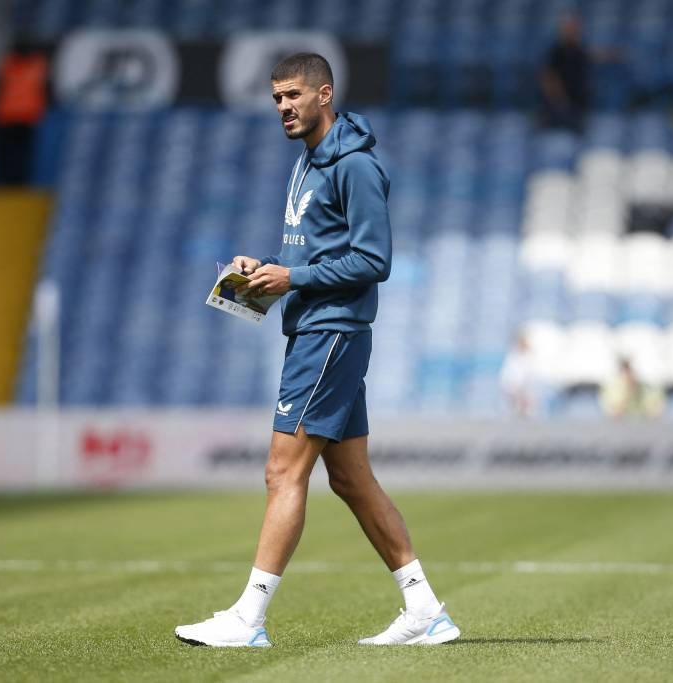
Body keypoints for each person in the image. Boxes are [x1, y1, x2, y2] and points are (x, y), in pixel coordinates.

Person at [175, 53, 460, 648]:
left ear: (324, 94)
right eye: (276, 97)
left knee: (282, 471)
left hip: (331, 332)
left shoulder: (356, 167)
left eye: (293, 95)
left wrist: (294, 278)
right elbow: (314, 253)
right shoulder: (307, 163)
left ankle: (247, 620)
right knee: (353, 481)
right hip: (316, 330)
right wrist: (264, 272)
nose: (283, 106)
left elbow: (374, 260)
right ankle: (425, 609)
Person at [0, 38, 49, 184]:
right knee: (15, 154)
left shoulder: (9, 64)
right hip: (15, 117)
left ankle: (16, 182)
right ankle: (14, 183)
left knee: (16, 154)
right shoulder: (34, 65)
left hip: (18, 117)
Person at [599, 356, 664, 419]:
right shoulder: (611, 389)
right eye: (626, 369)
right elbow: (613, 413)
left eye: (630, 369)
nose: (629, 374)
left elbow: (655, 410)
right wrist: (626, 394)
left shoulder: (646, 388)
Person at [499, 331, 543, 418]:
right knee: (519, 395)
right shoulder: (513, 356)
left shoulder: (529, 356)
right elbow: (510, 376)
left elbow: (532, 374)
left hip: (526, 386)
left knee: (530, 395)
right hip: (514, 385)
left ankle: (526, 413)